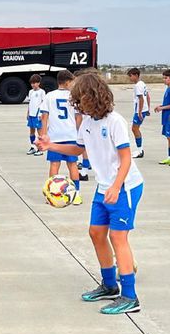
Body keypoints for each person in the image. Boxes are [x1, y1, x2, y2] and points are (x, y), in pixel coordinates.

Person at [37, 71, 143, 314]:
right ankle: (109, 286)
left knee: (118, 238)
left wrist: (116, 187)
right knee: (96, 233)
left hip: (124, 186)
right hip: (104, 186)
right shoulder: (87, 122)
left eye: (81, 98)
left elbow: (126, 159)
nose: (77, 103)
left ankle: (130, 296)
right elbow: (78, 149)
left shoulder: (115, 121)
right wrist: (50, 145)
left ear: (94, 96)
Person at [36, 69, 82, 204]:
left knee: (54, 164)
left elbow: (44, 116)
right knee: (72, 164)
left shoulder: (49, 96)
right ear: (67, 82)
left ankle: (52, 193)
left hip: (55, 136)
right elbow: (78, 117)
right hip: (71, 135)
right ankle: (76, 194)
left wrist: (44, 135)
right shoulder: (74, 96)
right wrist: (79, 132)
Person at [154, 69, 170, 166]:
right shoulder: (168, 89)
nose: (164, 80)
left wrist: (162, 108)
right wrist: (161, 106)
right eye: (163, 78)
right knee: (168, 137)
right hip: (166, 116)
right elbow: (168, 103)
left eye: (166, 78)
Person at [127, 68, 148, 158]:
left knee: (135, 129)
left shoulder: (138, 86)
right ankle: (139, 149)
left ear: (136, 75)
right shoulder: (142, 84)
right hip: (143, 109)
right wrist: (148, 109)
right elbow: (148, 96)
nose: (130, 78)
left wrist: (139, 112)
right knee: (135, 129)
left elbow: (141, 99)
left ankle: (140, 150)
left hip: (139, 110)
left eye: (131, 76)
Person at [26, 74, 46, 155]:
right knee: (31, 131)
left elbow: (43, 103)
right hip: (31, 114)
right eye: (32, 83)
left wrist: (41, 114)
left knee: (39, 132)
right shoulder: (31, 92)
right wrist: (28, 112)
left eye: (35, 83)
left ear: (39, 83)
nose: (33, 85)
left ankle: (40, 148)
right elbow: (30, 103)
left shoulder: (42, 92)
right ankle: (33, 146)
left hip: (37, 115)